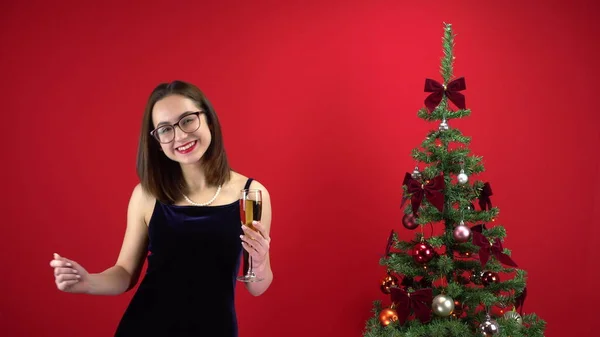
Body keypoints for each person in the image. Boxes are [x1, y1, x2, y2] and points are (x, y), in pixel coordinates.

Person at [49, 80, 273, 337]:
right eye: (165, 129)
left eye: (188, 120)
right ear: (156, 141)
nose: (179, 136)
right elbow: (124, 273)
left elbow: (257, 286)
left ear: (208, 119)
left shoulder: (252, 195)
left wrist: (261, 259)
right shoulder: (146, 195)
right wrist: (88, 282)